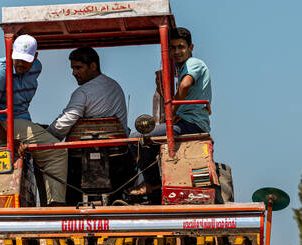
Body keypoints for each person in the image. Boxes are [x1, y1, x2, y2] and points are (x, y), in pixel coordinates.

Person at [0, 34, 66, 206]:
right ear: (11, 53)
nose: (20, 64)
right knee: (57, 152)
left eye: (26, 60)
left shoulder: (36, 68)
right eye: (17, 59)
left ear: (35, 57)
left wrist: (31, 127)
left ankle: (45, 203)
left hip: (18, 121)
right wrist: (10, 140)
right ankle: (56, 205)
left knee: (43, 148)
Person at [129, 27, 212, 196]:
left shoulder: (193, 64)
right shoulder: (181, 68)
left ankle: (151, 183)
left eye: (181, 47)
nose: (177, 51)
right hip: (186, 122)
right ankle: (155, 179)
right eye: (172, 48)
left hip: (191, 125)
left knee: (135, 138)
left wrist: (171, 112)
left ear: (191, 48)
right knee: (150, 139)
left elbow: (185, 85)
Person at [48, 47, 129, 139]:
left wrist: (45, 135)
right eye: (73, 68)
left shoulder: (83, 92)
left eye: (78, 68)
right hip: (120, 145)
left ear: (93, 66)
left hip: (89, 148)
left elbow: (65, 123)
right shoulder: (115, 86)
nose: (74, 73)